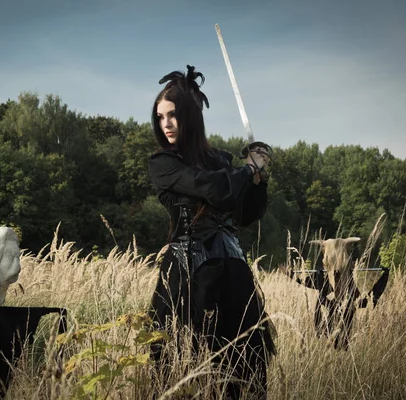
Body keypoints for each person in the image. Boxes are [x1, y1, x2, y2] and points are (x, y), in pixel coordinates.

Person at [146, 65, 276, 399]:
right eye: (160, 117)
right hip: (189, 278)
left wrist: (259, 179)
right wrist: (247, 169)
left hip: (233, 274)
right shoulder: (164, 164)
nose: (166, 124)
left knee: (243, 372)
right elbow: (215, 190)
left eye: (173, 115)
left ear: (190, 116)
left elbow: (245, 214)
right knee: (180, 369)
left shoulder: (221, 161)